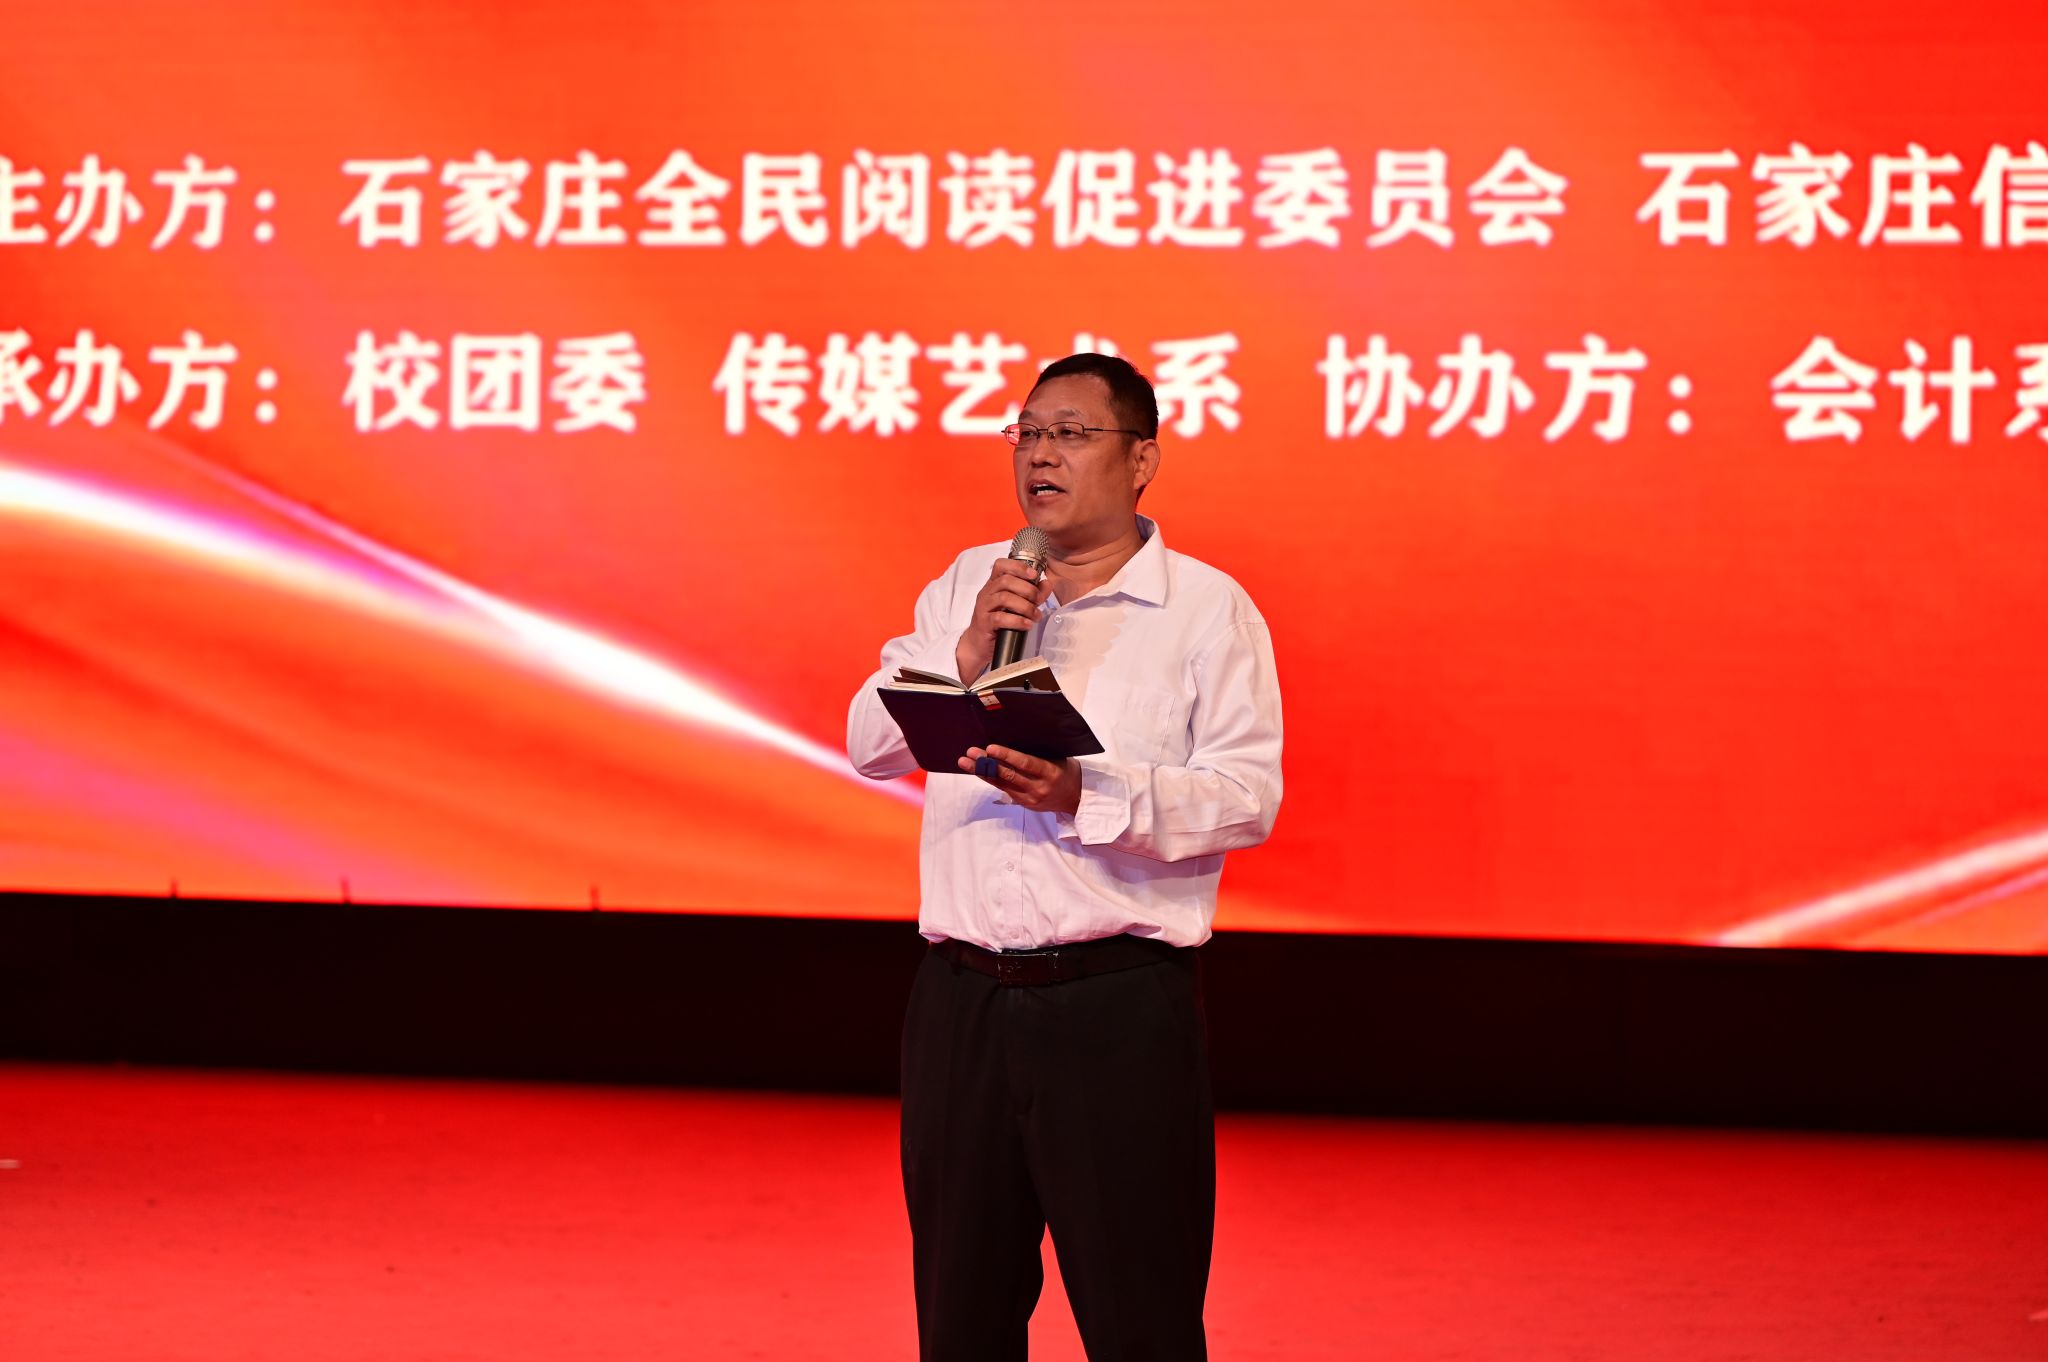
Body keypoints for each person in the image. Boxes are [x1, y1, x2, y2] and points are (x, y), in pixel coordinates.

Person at [846, 352, 1284, 1362]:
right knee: (960, 1318)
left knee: (1139, 1320)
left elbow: (1244, 797)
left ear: (1142, 461)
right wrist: (963, 656)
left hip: (1114, 1007)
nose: (1040, 456)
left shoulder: (1205, 610)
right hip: (959, 1003)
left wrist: (1088, 793)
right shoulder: (969, 584)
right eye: (1028, 434)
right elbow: (869, 744)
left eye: (1071, 435)